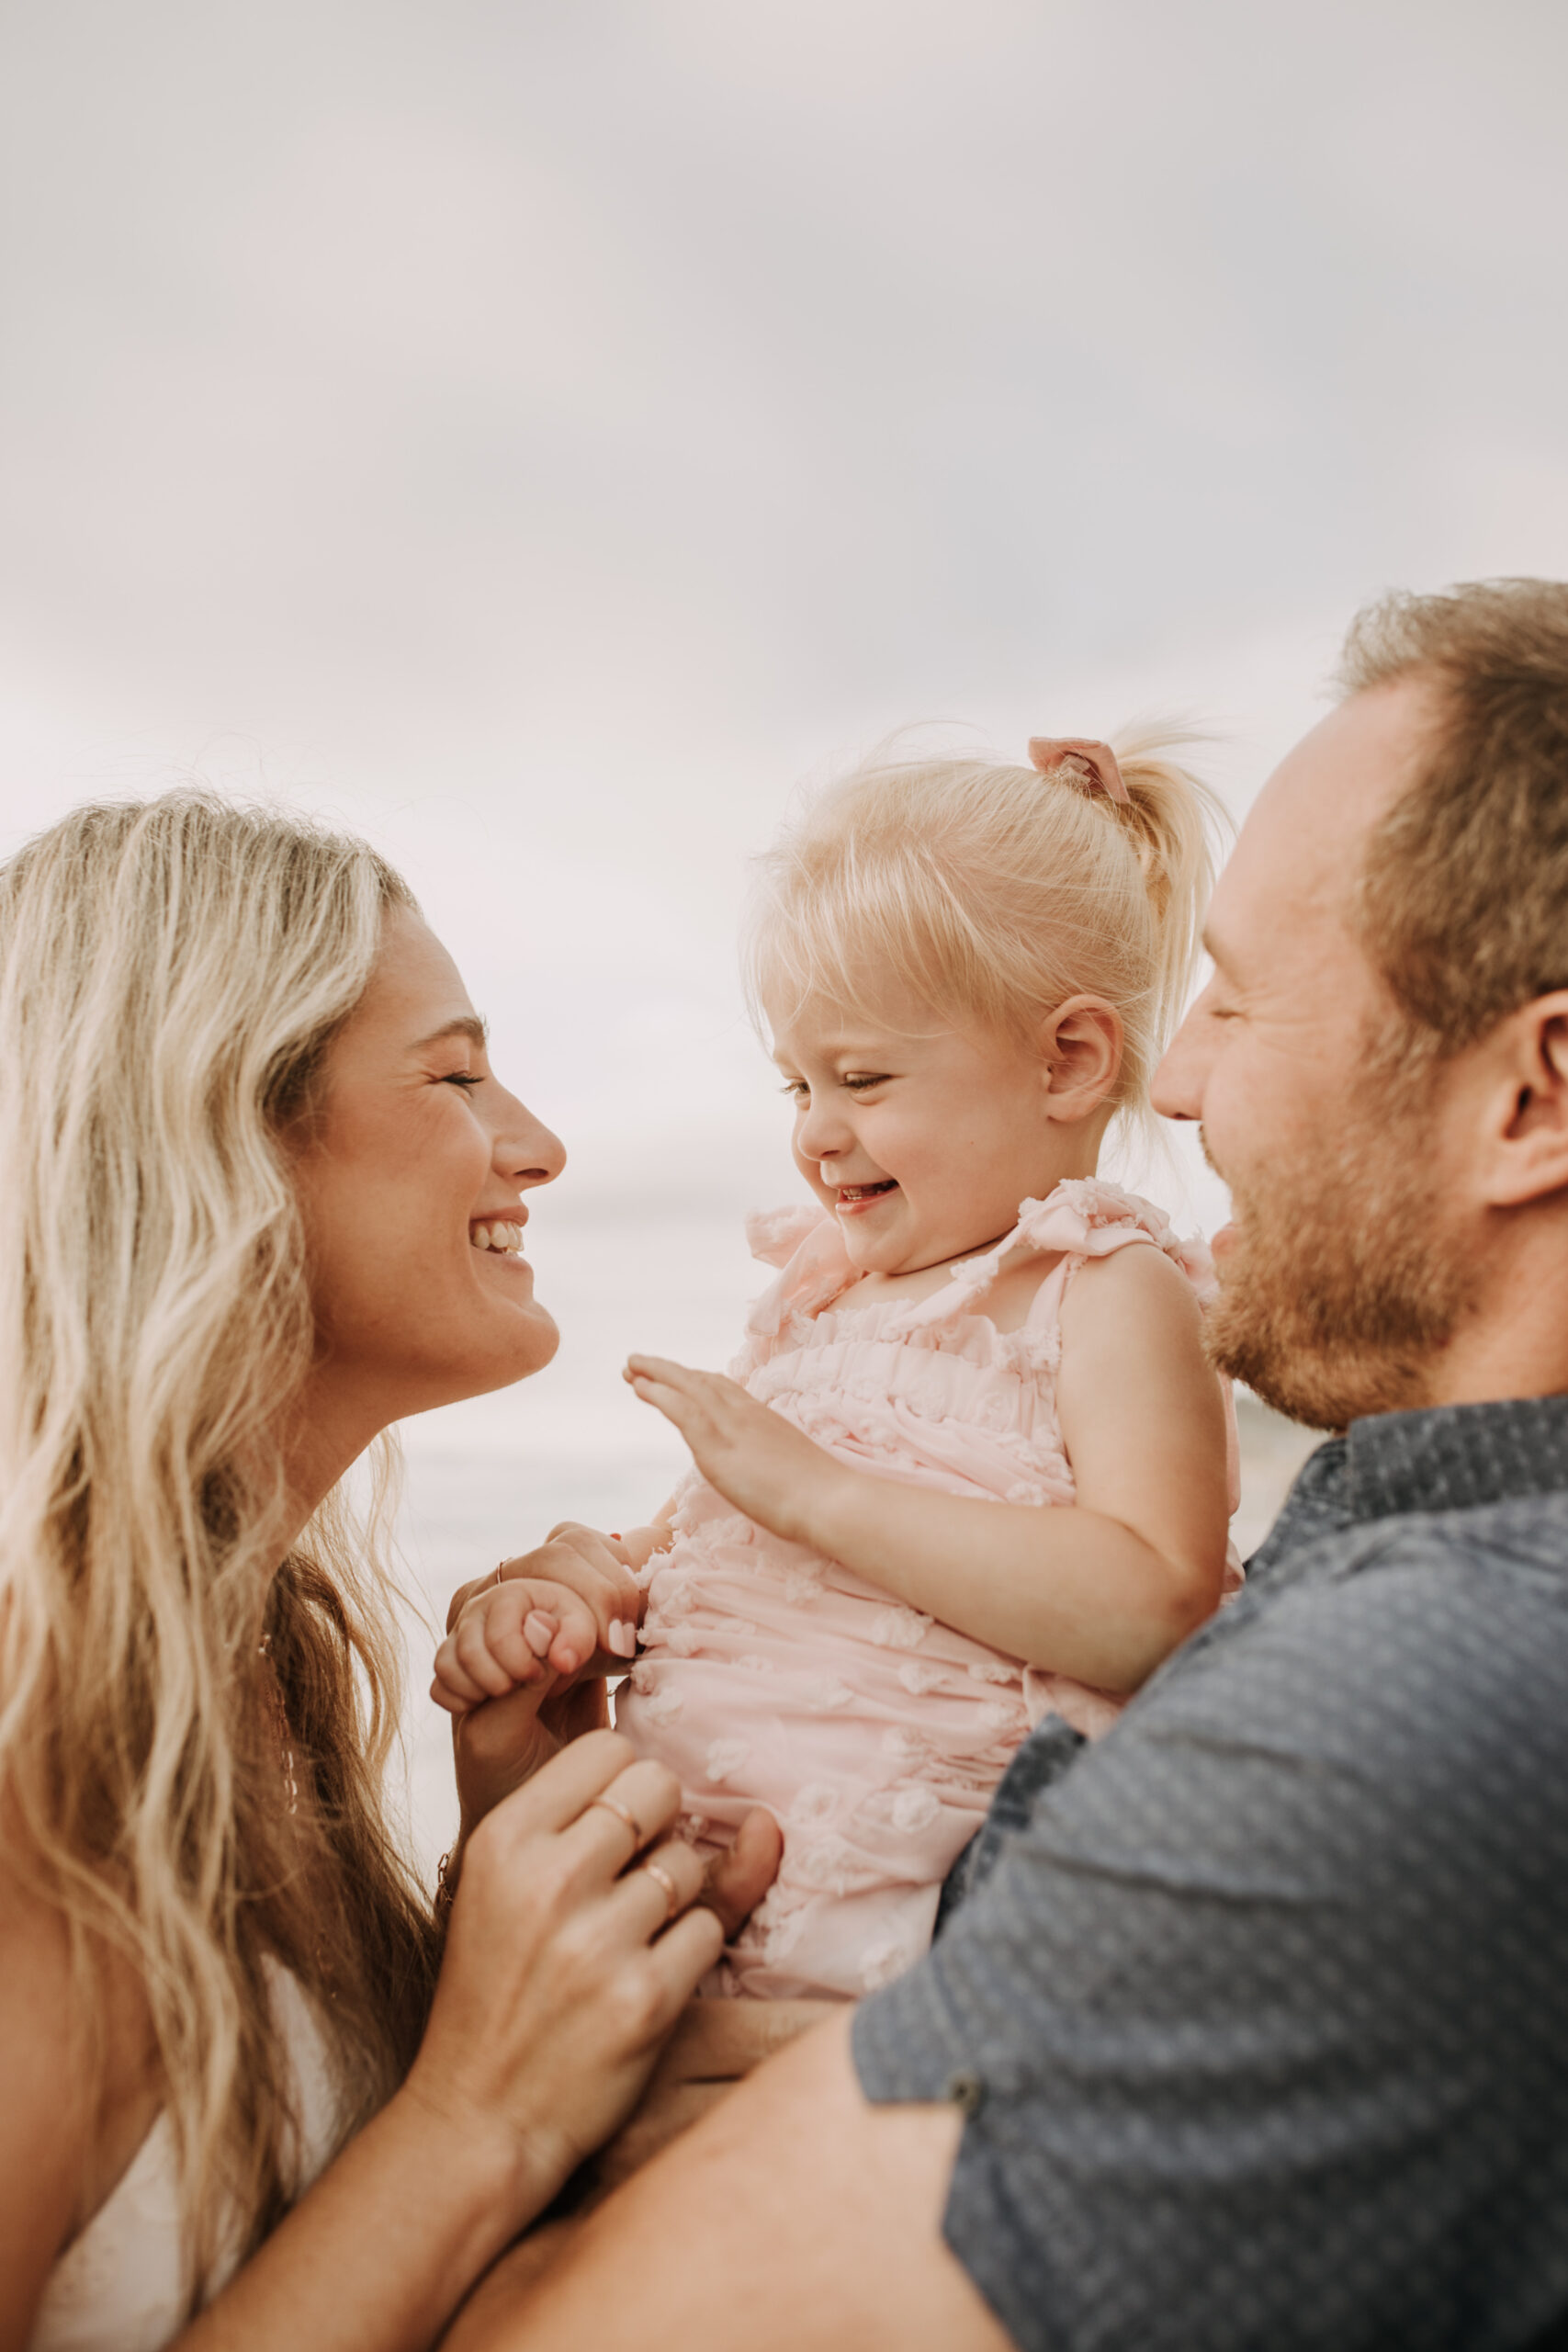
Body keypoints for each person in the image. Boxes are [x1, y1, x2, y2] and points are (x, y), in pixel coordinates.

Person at [460, 579, 1568, 2350]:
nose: (1181, 1082)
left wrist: (493, 2124)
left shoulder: (1425, 1697)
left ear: (1538, 1096)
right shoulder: (1389, 1567)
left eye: (1240, 999)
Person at [0, 794, 780, 2351]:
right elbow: (432, 2147)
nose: (536, 1143)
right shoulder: (32, 1734)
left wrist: (509, 1856)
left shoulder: (257, 1664)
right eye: (457, 1073)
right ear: (217, 1127)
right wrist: (483, 2110)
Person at [436, 729, 1237, 2001]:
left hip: (899, 1931)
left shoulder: (1105, 1287)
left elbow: (1157, 1602)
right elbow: (728, 1549)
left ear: (1068, 1061)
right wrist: (581, 1603)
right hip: (684, 1900)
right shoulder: (820, 1295)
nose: (816, 1132)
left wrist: (820, 1494)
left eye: (862, 1076)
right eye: (795, 1084)